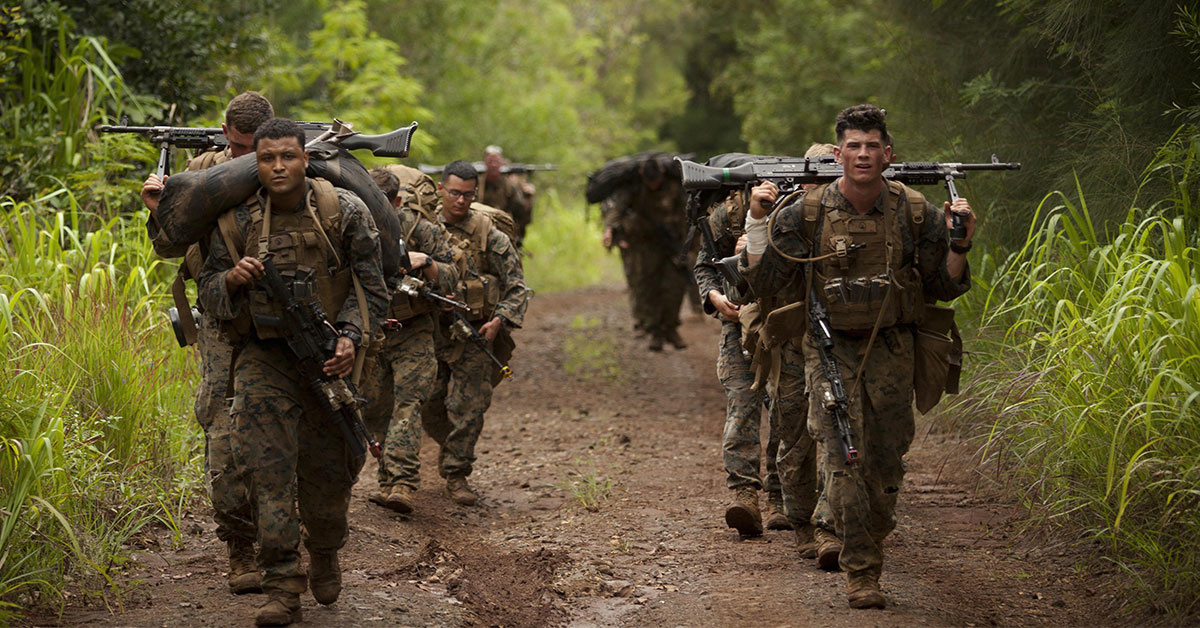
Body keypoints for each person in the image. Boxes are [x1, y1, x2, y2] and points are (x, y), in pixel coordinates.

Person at [741, 104, 975, 609]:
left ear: (888, 153)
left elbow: (942, 286)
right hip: (829, 348)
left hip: (893, 348)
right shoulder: (806, 213)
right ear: (838, 153)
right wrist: (757, 222)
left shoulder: (914, 211)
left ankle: (870, 538)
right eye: (853, 146)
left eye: (872, 146)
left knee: (885, 464)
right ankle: (862, 571)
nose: (863, 154)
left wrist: (959, 245)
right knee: (842, 457)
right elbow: (765, 283)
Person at [197, 118, 389, 626]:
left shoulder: (343, 211)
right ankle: (282, 585)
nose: (278, 167)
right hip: (265, 358)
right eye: (267, 158)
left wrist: (349, 337)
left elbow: (372, 288)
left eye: (288, 156)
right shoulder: (236, 221)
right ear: (254, 164)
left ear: (306, 158)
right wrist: (231, 280)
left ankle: (324, 549)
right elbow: (207, 293)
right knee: (266, 471)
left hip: (328, 361)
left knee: (329, 477)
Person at [139, 91, 274, 596]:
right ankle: (240, 547)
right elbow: (170, 246)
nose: (244, 159)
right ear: (222, 135)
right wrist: (159, 209)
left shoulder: (290, 169)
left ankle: (285, 541)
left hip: (284, 321)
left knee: (282, 426)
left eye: (252, 149)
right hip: (221, 317)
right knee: (221, 428)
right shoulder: (201, 171)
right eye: (236, 147)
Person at [418, 160, 529, 506]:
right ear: (441, 190)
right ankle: (451, 446)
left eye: (468, 194)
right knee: (428, 401)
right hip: (431, 331)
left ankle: (456, 473)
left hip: (475, 333)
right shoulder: (423, 229)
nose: (461, 201)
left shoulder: (488, 235)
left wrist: (500, 321)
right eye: (454, 193)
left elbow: (517, 288)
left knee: (470, 406)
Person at [362, 167, 459, 514]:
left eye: (383, 204)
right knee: (375, 408)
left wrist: (426, 263)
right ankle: (387, 480)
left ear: (397, 202)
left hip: (413, 329)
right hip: (372, 333)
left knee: (408, 404)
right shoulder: (352, 225)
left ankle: (402, 483)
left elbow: (452, 276)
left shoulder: (421, 229)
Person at [693, 187, 788, 537]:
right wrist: (715, 297)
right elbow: (705, 265)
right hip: (739, 329)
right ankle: (745, 494)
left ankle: (781, 495)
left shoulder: (800, 209)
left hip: (786, 325)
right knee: (742, 405)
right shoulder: (729, 213)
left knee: (786, 408)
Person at [601, 156, 689, 351]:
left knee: (675, 286)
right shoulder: (634, 188)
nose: (652, 184)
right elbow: (617, 209)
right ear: (642, 175)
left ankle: (671, 328)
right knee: (649, 287)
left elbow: (688, 212)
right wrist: (609, 229)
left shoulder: (675, 187)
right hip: (646, 245)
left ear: (662, 173)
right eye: (649, 181)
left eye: (655, 180)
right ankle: (655, 331)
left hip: (673, 243)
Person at [478, 145, 531, 245]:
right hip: (479, 230)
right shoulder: (477, 184)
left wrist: (528, 197)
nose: (494, 165)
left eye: (497, 161)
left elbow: (521, 214)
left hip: (502, 231)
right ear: (484, 162)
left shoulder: (509, 186)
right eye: (490, 161)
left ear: (502, 163)